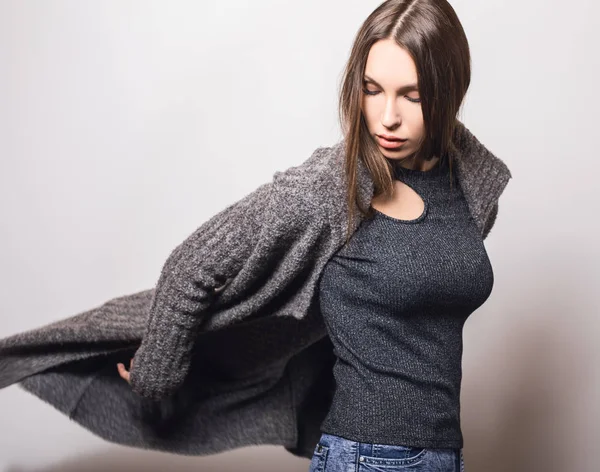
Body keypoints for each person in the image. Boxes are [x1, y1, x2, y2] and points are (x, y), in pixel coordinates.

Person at [1, 1, 510, 470]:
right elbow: (192, 264)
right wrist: (158, 374)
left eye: (412, 96)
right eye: (372, 89)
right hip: (365, 457)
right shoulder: (331, 187)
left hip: (445, 455)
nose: (387, 116)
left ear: (449, 91)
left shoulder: (462, 184)